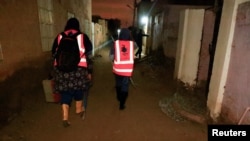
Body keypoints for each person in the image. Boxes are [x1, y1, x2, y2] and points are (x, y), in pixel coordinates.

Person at [51, 18, 93, 127]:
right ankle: (78, 110)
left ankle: (65, 117)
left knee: (65, 92)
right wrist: (89, 71)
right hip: (78, 70)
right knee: (78, 89)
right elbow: (89, 55)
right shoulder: (83, 37)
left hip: (61, 70)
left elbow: (53, 53)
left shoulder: (60, 36)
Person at [109, 28, 135, 110]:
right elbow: (136, 49)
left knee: (118, 84)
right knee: (125, 87)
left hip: (117, 69)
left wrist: (115, 58)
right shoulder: (132, 44)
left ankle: (118, 96)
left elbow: (111, 56)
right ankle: (122, 104)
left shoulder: (115, 44)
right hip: (127, 70)